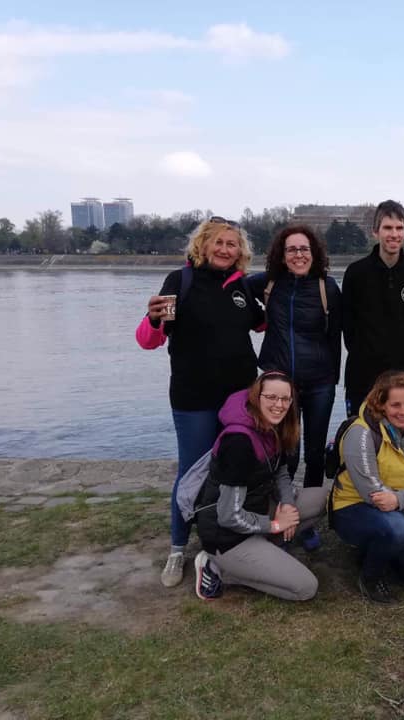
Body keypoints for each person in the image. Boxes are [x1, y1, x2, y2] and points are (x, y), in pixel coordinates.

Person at [135, 216, 265, 588]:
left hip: (239, 398)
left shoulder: (240, 287)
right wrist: (152, 319)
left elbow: (263, 323)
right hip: (193, 397)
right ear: (203, 245)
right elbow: (149, 339)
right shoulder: (181, 282)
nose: (225, 249)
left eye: (232, 244)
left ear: (240, 251)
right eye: (218, 242)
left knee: (235, 468)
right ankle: (178, 548)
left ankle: (227, 540)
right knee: (192, 472)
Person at [193, 371, 328, 601]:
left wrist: (287, 504)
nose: (279, 405)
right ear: (256, 397)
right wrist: (275, 525)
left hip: (258, 510)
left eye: (285, 399)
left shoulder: (274, 426)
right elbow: (228, 516)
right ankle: (219, 568)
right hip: (227, 536)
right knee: (306, 588)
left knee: (323, 497)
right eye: (271, 397)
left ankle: (263, 551)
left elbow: (281, 471)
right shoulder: (238, 442)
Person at [249, 224, 342, 551]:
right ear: (282, 254)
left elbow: (336, 336)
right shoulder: (268, 283)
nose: (299, 255)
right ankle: (281, 512)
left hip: (319, 382)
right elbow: (233, 293)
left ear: (314, 253)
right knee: (285, 453)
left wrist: (332, 377)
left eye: (304, 249)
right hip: (280, 384)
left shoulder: (327, 287)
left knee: (315, 454)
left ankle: (307, 522)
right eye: (292, 249)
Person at [330, 371, 404, 603]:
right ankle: (370, 578)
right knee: (396, 528)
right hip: (354, 508)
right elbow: (373, 495)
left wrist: (399, 501)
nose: (403, 412)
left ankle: (376, 551)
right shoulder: (361, 433)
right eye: (395, 405)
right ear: (381, 405)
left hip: (398, 509)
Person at [341, 200, 404, 415]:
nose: (394, 234)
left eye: (399, 228)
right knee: (362, 435)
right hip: (363, 380)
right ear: (375, 231)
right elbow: (347, 327)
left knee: (402, 436)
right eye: (387, 227)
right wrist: (367, 355)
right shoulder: (356, 273)